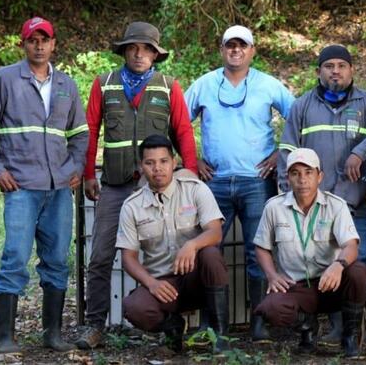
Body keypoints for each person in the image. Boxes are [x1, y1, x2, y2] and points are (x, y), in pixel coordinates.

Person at [77, 21, 199, 349]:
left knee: (165, 253)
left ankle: (169, 321)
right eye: (133, 47)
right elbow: (90, 130)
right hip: (115, 185)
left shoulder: (168, 86)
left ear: (156, 54)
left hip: (158, 188)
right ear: (124, 51)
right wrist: (89, 173)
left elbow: (183, 131)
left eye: (146, 48)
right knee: (101, 255)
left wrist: (189, 171)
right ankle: (94, 326)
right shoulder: (104, 84)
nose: (139, 53)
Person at [0, 17, 88, 353]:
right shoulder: (5, 78)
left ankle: (52, 335)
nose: (39, 46)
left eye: (45, 40)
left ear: (54, 44)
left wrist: (76, 167)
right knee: (15, 257)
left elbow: (80, 135)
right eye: (32, 40)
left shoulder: (67, 84)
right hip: (21, 186)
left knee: (57, 260)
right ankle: (5, 337)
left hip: (58, 189)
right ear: (23, 45)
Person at [277, 44, 366, 344]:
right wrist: (285, 195)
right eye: (329, 66)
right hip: (312, 206)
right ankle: (332, 327)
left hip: (352, 204)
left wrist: (361, 150)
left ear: (351, 70)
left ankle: (361, 328)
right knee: (318, 263)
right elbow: (287, 152)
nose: (335, 71)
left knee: (362, 263)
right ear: (319, 72)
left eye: (341, 66)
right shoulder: (303, 106)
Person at [185, 25, 294, 341]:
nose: (236, 50)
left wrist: (279, 154)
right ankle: (212, 324)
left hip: (257, 182)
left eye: (242, 46)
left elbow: (298, 117)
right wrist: (193, 162)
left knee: (258, 250)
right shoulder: (205, 84)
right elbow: (178, 121)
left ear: (252, 50)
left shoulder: (268, 85)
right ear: (221, 50)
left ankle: (259, 322)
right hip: (214, 182)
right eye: (230, 45)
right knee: (210, 250)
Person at [116, 135, 229, 352]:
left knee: (211, 255)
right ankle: (174, 326)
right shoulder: (132, 206)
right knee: (134, 308)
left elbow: (215, 232)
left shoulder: (195, 189)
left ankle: (220, 335)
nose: (157, 168)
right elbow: (128, 258)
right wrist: (151, 283)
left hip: (196, 277)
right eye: (150, 163)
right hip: (163, 285)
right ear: (141, 166)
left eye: (163, 161)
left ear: (174, 162)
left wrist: (192, 245)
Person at [255, 148, 366, 358]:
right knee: (270, 308)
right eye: (295, 173)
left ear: (320, 176)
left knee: (358, 272)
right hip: (296, 287)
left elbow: (351, 245)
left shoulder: (336, 206)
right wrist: (272, 275)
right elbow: (262, 247)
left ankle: (350, 336)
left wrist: (338, 266)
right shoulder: (274, 207)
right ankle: (307, 326)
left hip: (331, 284)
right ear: (288, 177)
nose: (302, 180)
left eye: (308, 172)